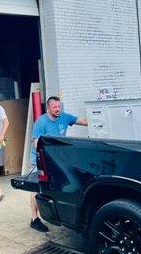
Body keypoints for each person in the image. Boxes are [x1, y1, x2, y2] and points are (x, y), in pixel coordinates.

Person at [29, 96, 88, 232]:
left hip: (57, 159)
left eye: (59, 106)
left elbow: (83, 121)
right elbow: (36, 143)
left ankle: (58, 213)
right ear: (48, 108)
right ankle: (34, 219)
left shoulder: (65, 117)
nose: (57, 109)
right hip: (40, 159)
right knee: (37, 188)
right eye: (54, 107)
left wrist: (99, 117)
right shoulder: (41, 122)